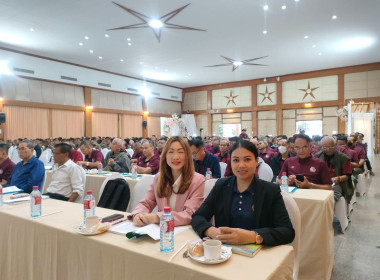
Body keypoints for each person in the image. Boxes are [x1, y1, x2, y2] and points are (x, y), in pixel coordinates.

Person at [191, 140, 294, 246]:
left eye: (247, 159)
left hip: (259, 254)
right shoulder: (221, 186)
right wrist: (211, 231)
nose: (241, 165)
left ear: (256, 161)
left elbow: (287, 232)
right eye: (235, 160)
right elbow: (198, 217)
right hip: (225, 253)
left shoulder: (270, 190)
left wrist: (252, 236)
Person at [130, 136, 205, 226]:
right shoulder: (159, 178)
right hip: (161, 232)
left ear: (187, 155)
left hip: (185, 232)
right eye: (171, 152)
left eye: (180, 152)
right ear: (165, 155)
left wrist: (158, 217)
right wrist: (139, 214)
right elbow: (146, 202)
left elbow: (190, 214)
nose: (175, 157)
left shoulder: (198, 180)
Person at [315, 137, 353, 202]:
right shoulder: (317, 156)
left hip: (336, 184)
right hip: (321, 183)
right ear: (321, 147)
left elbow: (347, 176)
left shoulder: (343, 158)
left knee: (329, 199)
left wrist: (338, 178)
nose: (328, 150)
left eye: (330, 147)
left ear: (335, 145)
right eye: (325, 148)